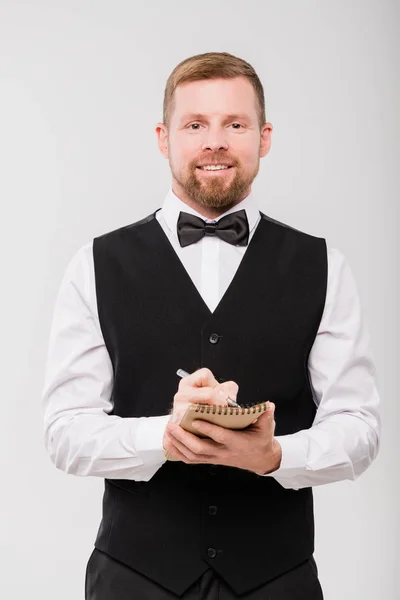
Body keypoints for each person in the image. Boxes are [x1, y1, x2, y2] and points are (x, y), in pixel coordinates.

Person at [42, 51, 381, 600]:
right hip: (133, 580)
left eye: (235, 124)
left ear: (264, 137)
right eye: (195, 124)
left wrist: (276, 457)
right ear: (163, 137)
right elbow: (63, 432)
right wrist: (164, 437)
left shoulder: (324, 267)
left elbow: (360, 427)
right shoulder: (94, 264)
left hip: (279, 581)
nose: (215, 141)